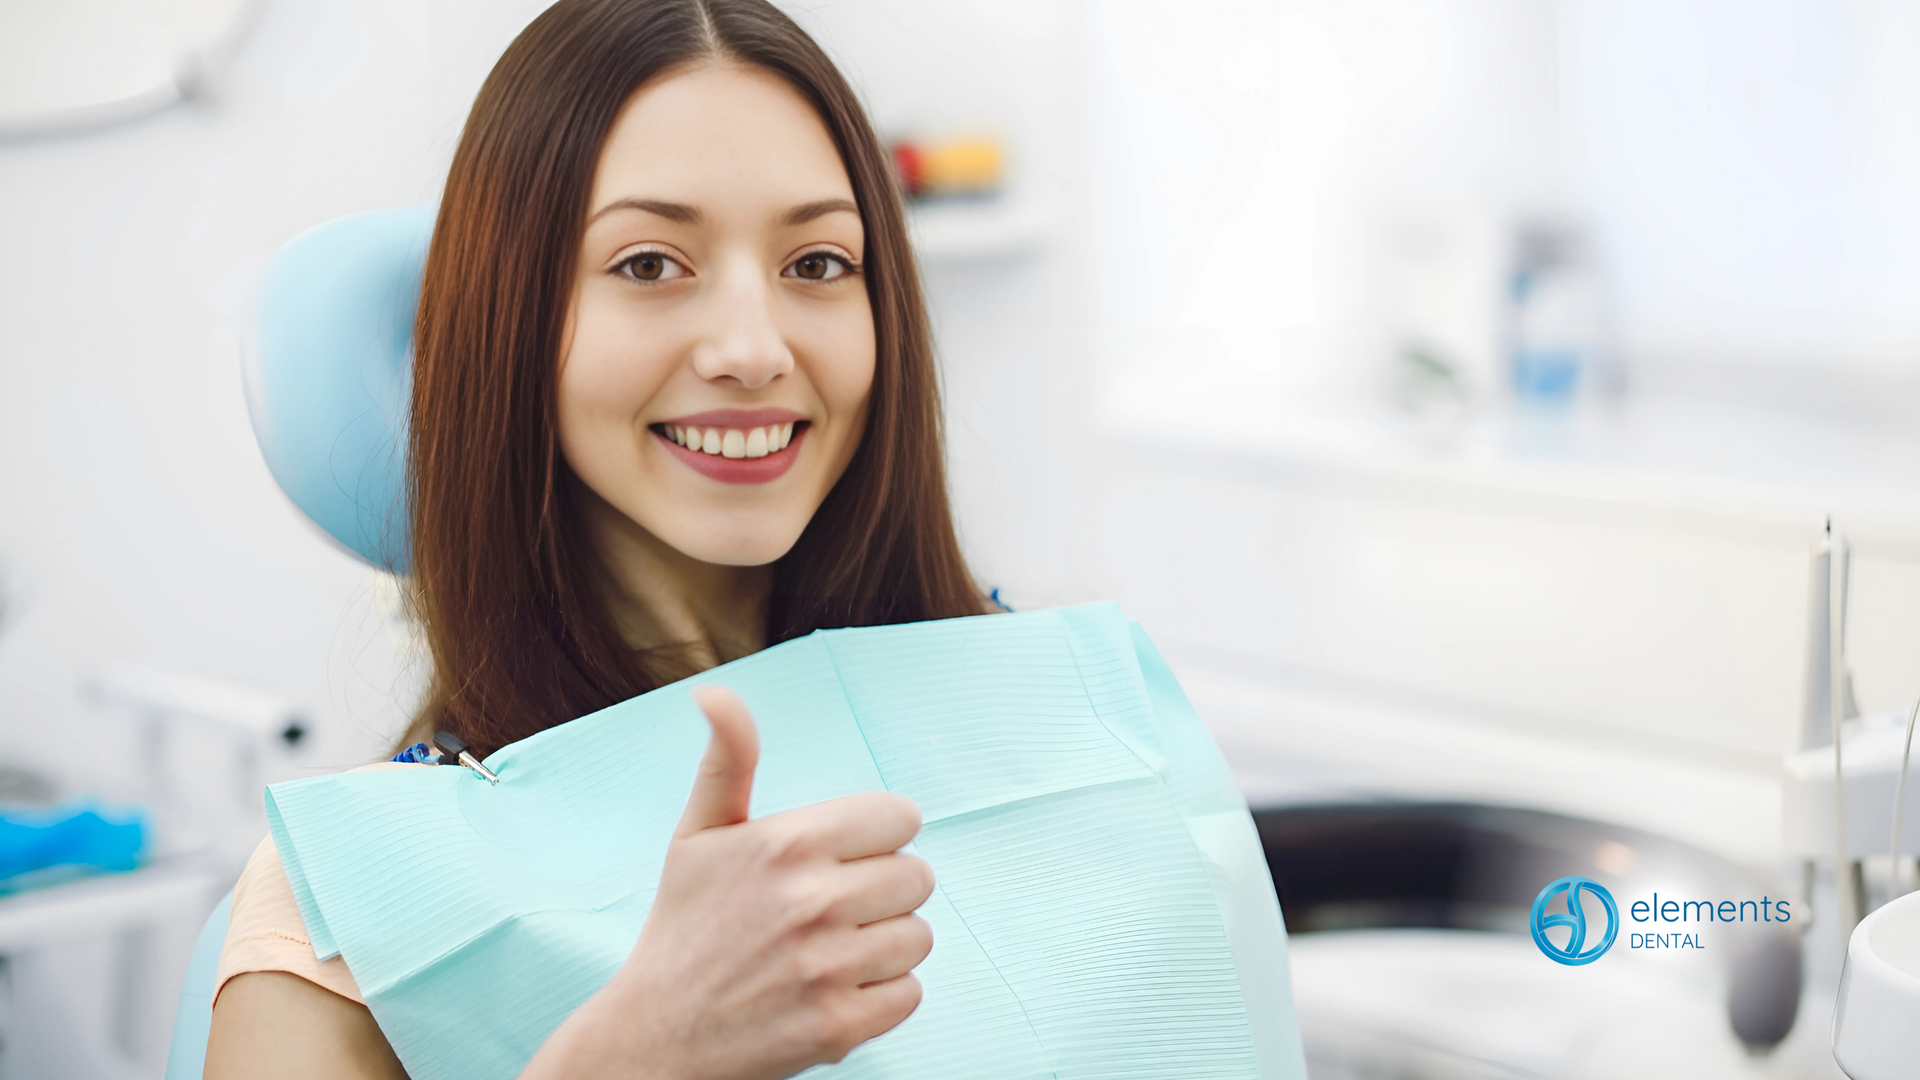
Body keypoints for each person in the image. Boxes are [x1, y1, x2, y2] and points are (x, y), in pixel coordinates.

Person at [204, 0, 992, 1075]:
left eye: (815, 263)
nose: (753, 350)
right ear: (509, 324)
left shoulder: (1029, 700)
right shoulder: (338, 906)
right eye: (648, 264)